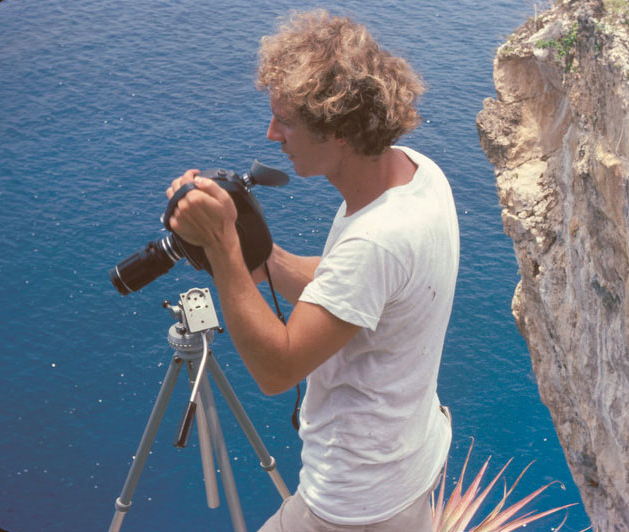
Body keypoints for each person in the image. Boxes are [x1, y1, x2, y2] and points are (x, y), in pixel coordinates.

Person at [165, 9, 459, 532]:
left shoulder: (376, 241)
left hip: (355, 505)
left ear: (339, 131)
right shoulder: (416, 174)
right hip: (411, 460)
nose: (272, 133)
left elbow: (277, 371)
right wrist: (260, 257)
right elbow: (351, 286)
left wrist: (224, 249)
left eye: (287, 121)